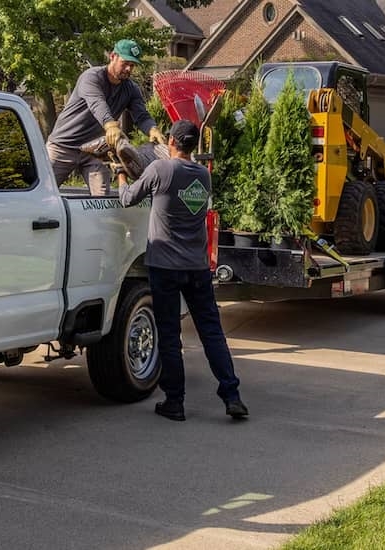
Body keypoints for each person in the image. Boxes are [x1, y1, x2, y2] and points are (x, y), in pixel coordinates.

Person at [117, 120, 247, 422]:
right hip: (197, 267)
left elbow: (127, 198)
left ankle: (174, 402)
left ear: (172, 142)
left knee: (170, 334)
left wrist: (120, 173)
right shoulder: (203, 175)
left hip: (164, 266)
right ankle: (232, 395)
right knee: (212, 332)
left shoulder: (162, 170)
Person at [47, 39, 165, 196]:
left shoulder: (131, 89)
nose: (128, 69)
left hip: (95, 150)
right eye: (125, 63)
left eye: (132, 65)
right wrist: (110, 125)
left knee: (101, 199)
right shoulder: (91, 77)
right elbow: (97, 103)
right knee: (43, 193)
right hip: (63, 146)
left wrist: (152, 129)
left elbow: (141, 115)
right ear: (113, 56)